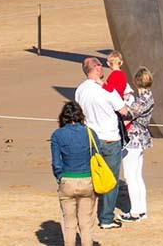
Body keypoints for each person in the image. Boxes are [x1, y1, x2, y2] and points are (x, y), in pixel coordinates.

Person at [75, 56, 129, 230]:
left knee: (92, 177)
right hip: (109, 139)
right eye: (100, 65)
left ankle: (86, 216)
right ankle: (106, 218)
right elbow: (123, 110)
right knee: (110, 180)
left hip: (90, 138)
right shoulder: (107, 90)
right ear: (97, 68)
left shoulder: (80, 90)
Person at [50, 101, 95, 246]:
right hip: (87, 180)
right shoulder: (89, 132)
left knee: (69, 224)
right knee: (86, 224)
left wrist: (60, 176)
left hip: (67, 180)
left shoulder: (57, 135)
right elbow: (97, 154)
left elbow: (56, 162)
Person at [119, 67, 155, 223]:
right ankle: (142, 210)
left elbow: (127, 114)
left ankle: (135, 212)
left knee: (130, 177)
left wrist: (121, 102)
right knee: (138, 176)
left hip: (133, 140)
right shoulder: (148, 96)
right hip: (141, 138)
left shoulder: (141, 100)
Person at [103, 51, 133, 140]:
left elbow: (110, 90)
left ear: (108, 64)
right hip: (121, 101)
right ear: (121, 63)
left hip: (114, 103)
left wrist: (102, 84)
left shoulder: (112, 76)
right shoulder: (123, 74)